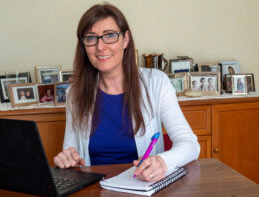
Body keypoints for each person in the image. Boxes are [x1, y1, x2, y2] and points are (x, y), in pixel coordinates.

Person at [54, 3, 200, 182]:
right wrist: (68, 159)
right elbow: (72, 153)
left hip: (143, 186)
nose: (100, 47)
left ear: (125, 39)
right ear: (84, 46)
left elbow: (191, 145)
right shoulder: (75, 94)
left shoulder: (157, 82)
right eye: (91, 38)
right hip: (95, 189)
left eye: (109, 35)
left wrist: (162, 161)